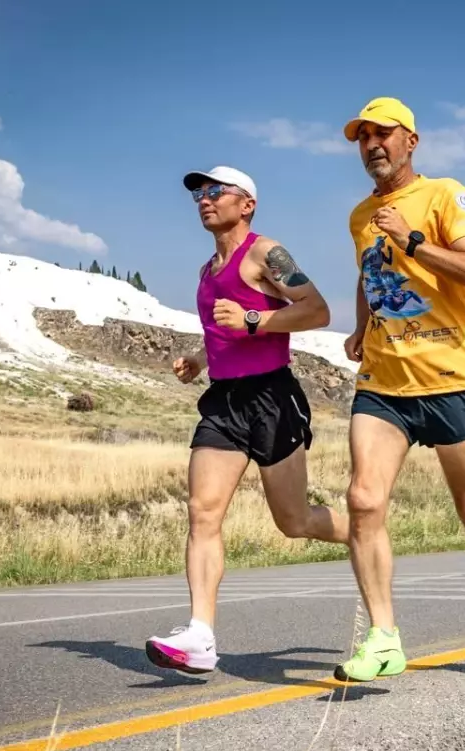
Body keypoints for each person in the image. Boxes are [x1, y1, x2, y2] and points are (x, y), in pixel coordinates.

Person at [333, 98, 465, 682]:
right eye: (363, 138)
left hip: (447, 379)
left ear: (411, 140)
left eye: (382, 134)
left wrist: (412, 240)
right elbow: (369, 272)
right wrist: (360, 326)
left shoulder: (444, 196)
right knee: (363, 500)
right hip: (383, 382)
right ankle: (383, 637)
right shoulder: (360, 215)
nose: (372, 146)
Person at [146, 165, 350, 674]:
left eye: (216, 191)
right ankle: (200, 636)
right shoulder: (207, 271)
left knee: (294, 522)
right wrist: (199, 358)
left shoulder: (265, 254)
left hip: (272, 398)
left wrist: (255, 319)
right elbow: (223, 331)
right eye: (199, 192)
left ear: (247, 204)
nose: (205, 199)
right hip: (224, 402)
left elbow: (317, 310)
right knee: (202, 511)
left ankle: (365, 532)